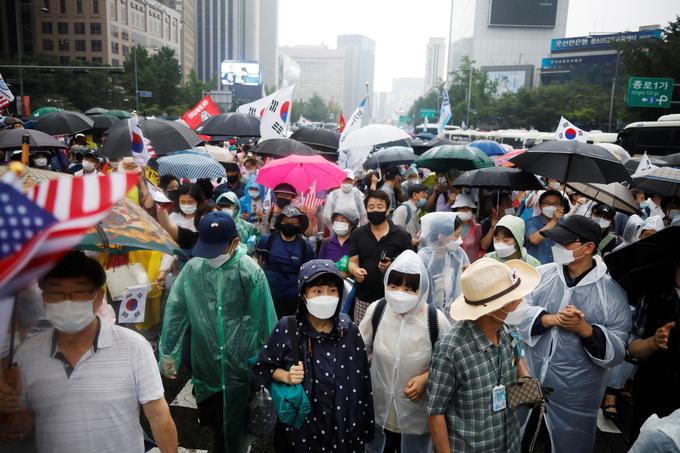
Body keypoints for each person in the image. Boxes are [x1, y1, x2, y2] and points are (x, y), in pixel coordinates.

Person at [6, 251, 177, 452]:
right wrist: (8, 414)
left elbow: (158, 416)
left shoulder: (135, 347)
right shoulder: (27, 356)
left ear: (97, 297)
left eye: (78, 293)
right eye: (56, 293)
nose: (66, 302)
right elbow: (24, 428)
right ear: (44, 299)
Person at [159, 212, 277, 453]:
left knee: (235, 433)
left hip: (241, 371)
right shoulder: (193, 270)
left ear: (234, 243)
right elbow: (175, 311)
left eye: (216, 250)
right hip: (206, 370)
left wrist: (270, 366)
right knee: (215, 424)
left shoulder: (250, 273)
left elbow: (266, 323)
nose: (210, 256)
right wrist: (169, 353)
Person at [517, 215, 632, 453]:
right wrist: (548, 319)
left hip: (574, 395)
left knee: (567, 443)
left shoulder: (611, 294)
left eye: (565, 243)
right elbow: (517, 310)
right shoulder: (542, 275)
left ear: (589, 247)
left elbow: (618, 349)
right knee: (517, 434)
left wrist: (585, 330)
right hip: (527, 377)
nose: (557, 248)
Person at [252, 259, 374, 453]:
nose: (326, 296)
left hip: (341, 430)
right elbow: (262, 366)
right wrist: (286, 376)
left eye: (332, 290)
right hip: (300, 431)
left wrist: (365, 427)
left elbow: (362, 384)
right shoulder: (287, 327)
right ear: (304, 294)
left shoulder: (349, 331)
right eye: (317, 291)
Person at [427, 257, 540, 453]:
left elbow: (518, 376)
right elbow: (435, 411)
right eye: (513, 300)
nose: (521, 302)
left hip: (508, 443)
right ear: (491, 310)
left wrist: (528, 387)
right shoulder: (451, 349)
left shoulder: (508, 332)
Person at [360, 250, 450, 453]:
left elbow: (448, 365)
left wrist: (426, 378)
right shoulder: (378, 310)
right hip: (378, 410)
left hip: (415, 418)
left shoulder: (434, 320)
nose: (400, 292)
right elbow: (360, 353)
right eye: (394, 285)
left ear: (421, 290)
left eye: (409, 289)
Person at [627, 260, 680, 442]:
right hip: (653, 389)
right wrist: (653, 343)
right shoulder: (653, 298)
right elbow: (632, 349)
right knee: (645, 441)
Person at [348, 190, 412, 323]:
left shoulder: (401, 235)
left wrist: (392, 265)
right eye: (371, 207)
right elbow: (352, 262)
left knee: (387, 338)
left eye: (379, 206)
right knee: (362, 338)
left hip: (393, 299)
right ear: (366, 210)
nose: (375, 210)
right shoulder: (358, 234)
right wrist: (355, 271)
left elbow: (411, 265)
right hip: (364, 297)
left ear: (387, 210)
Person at [257, 205, 314, 318]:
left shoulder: (305, 247)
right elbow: (259, 265)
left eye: (293, 222)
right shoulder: (267, 241)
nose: (289, 224)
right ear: (280, 222)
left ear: (299, 225)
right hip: (268, 296)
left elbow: (308, 275)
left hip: (293, 299)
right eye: (286, 221)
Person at [417, 212, 469, 316]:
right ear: (441, 236)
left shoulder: (458, 253)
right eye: (456, 235)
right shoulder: (424, 257)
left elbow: (466, 273)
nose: (460, 239)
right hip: (429, 314)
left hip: (454, 311)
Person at [525, 190, 565, 264]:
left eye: (556, 204)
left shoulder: (565, 224)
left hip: (555, 268)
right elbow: (534, 240)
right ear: (540, 206)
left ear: (561, 206)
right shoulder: (532, 222)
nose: (551, 206)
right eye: (547, 203)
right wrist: (554, 221)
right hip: (534, 267)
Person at [451, 194, 484, 263]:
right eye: (461, 208)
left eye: (467, 208)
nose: (464, 210)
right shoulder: (450, 227)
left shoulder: (477, 228)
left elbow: (482, 247)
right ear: (456, 210)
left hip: (472, 264)